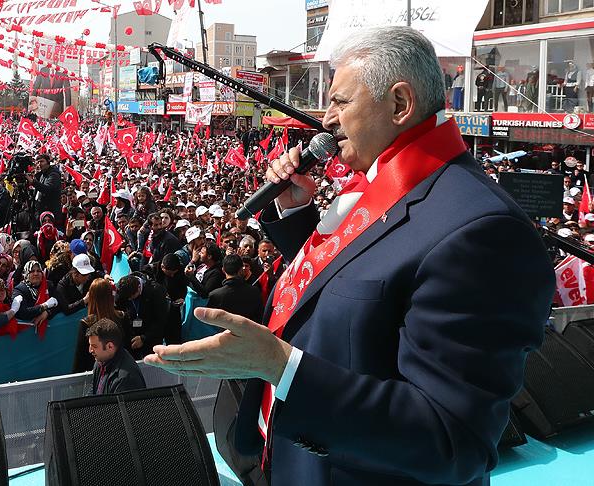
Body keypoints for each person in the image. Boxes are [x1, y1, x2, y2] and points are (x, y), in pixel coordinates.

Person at [145, 27, 554, 486]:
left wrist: (281, 367)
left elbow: (451, 441)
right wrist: (298, 214)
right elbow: (356, 287)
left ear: (400, 104)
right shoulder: (385, 188)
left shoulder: (483, 231)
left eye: (340, 101)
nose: (326, 118)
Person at [74, 278, 129, 373]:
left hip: (98, 373)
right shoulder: (122, 317)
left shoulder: (86, 323)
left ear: (91, 297)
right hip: (120, 369)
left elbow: (80, 357)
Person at [87, 318, 146, 395]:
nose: (90, 350)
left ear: (110, 346)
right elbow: (93, 391)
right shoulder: (100, 362)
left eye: (94, 346)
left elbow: (118, 407)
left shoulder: (125, 379)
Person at [116, 274, 168, 359]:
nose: (129, 299)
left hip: (150, 337)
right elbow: (118, 305)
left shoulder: (156, 291)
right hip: (132, 336)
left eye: (132, 297)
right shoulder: (124, 288)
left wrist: (144, 338)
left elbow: (160, 320)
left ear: (139, 288)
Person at [206, 255, 263, 324]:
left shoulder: (214, 295)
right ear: (241, 269)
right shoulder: (254, 292)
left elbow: (210, 321)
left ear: (223, 270)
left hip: (223, 333)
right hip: (247, 332)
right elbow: (259, 317)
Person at [27, 154, 62, 226]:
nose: (40, 164)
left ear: (48, 161)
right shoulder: (42, 174)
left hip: (49, 212)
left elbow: (47, 189)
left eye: (42, 161)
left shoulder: (53, 174)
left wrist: (33, 182)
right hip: (39, 211)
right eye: (38, 162)